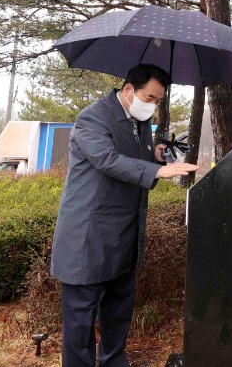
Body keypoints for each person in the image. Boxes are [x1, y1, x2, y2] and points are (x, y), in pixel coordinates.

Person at [50, 64, 198, 367]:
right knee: (80, 326)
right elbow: (107, 159)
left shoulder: (140, 121)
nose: (154, 106)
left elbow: (135, 160)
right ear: (129, 89)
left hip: (124, 236)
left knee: (118, 314)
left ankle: (114, 361)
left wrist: (155, 155)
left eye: (159, 101)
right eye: (150, 98)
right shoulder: (92, 117)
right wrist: (158, 169)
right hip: (87, 237)